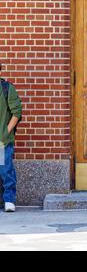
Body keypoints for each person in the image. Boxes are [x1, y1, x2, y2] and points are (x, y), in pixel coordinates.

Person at [0, 63, 22, 212]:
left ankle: (9, 200)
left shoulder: (7, 89)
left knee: (5, 171)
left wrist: (5, 133)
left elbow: (16, 112)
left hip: (2, 141)